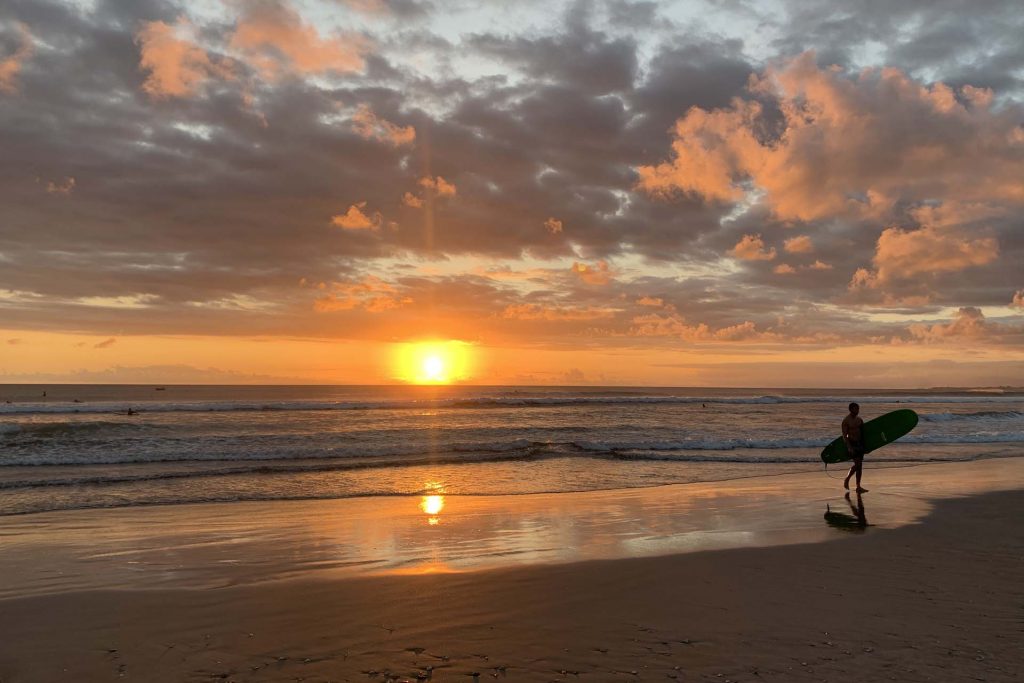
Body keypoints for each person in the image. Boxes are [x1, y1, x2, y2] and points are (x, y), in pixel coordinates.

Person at [842, 402, 867, 492]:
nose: (857, 410)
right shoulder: (846, 421)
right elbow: (844, 436)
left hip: (859, 444)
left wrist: (866, 447)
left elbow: (863, 434)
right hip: (852, 444)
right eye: (856, 409)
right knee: (858, 464)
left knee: (859, 466)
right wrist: (849, 447)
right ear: (851, 409)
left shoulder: (859, 420)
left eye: (858, 409)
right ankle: (847, 479)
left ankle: (858, 486)